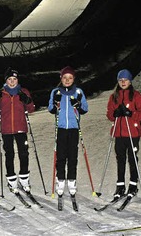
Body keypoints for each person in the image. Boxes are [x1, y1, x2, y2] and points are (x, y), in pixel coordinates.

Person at [0, 68, 36, 193]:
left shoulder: (23, 91)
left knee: (23, 153)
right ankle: (11, 180)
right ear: (6, 80)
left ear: (17, 80)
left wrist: (28, 101)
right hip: (6, 130)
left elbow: (31, 109)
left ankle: (24, 179)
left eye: (14, 79)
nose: (12, 82)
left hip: (21, 128)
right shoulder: (1, 93)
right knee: (9, 154)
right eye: (9, 79)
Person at [105, 69, 141, 200]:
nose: (123, 82)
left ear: (130, 81)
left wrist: (131, 114)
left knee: (132, 158)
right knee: (120, 159)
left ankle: (133, 185)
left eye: (125, 80)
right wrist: (115, 114)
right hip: (119, 133)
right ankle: (120, 186)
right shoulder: (114, 97)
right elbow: (109, 114)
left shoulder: (136, 96)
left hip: (132, 133)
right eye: (120, 80)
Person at [47, 66, 89, 197]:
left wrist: (78, 104)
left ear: (73, 79)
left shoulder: (78, 92)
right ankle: (60, 180)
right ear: (61, 78)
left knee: (72, 155)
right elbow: (51, 109)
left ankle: (72, 180)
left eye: (70, 78)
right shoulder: (56, 92)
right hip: (60, 128)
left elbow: (84, 109)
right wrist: (55, 104)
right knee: (61, 156)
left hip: (73, 128)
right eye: (65, 77)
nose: (67, 80)